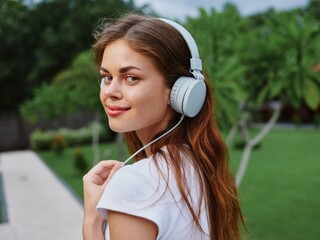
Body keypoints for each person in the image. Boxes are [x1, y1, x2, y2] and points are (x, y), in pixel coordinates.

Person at [82, 13, 245, 240]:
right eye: (107, 77)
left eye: (131, 78)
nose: (110, 91)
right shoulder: (198, 163)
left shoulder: (135, 183)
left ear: (179, 91)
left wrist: (91, 219)